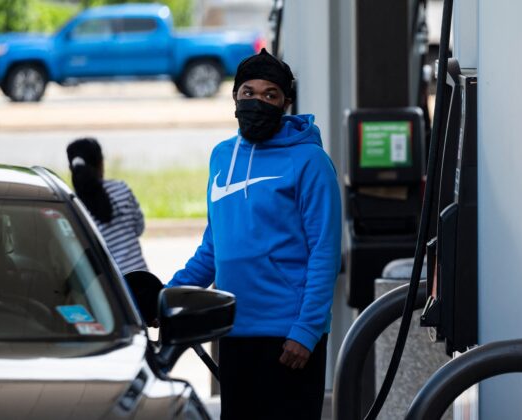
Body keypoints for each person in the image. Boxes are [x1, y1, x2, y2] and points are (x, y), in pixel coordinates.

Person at [167, 48, 341, 420]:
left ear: (286, 103)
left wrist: (306, 332)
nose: (257, 101)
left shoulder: (310, 162)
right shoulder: (221, 156)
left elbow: (325, 253)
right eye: (248, 92)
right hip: (233, 330)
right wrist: (166, 296)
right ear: (234, 98)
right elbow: (213, 250)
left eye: (270, 95)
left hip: (289, 338)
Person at [66, 138, 148, 274]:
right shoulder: (122, 189)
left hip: (110, 290)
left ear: (72, 169)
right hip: (142, 280)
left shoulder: (73, 205)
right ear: (101, 163)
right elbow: (139, 228)